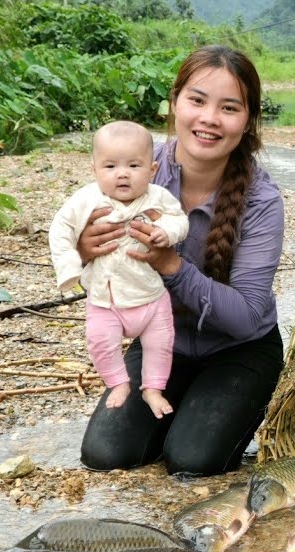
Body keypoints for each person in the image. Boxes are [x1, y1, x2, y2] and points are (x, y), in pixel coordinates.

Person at [75, 46, 286, 477]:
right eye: (197, 100)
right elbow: (95, 263)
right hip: (160, 341)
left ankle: (213, 410)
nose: (209, 118)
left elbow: (246, 317)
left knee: (191, 462)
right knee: (106, 456)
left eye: (229, 108)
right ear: (174, 102)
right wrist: (85, 250)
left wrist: (172, 266)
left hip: (240, 350)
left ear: (247, 122)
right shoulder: (134, 163)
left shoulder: (262, 201)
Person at [49, 120, 188, 420]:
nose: (122, 174)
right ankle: (118, 382)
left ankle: (153, 388)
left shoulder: (157, 197)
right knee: (100, 342)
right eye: (110, 166)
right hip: (105, 299)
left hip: (151, 298)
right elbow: (60, 228)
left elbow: (179, 218)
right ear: (95, 170)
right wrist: (70, 264)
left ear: (151, 171)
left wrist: (167, 231)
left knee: (160, 344)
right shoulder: (86, 199)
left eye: (133, 166)